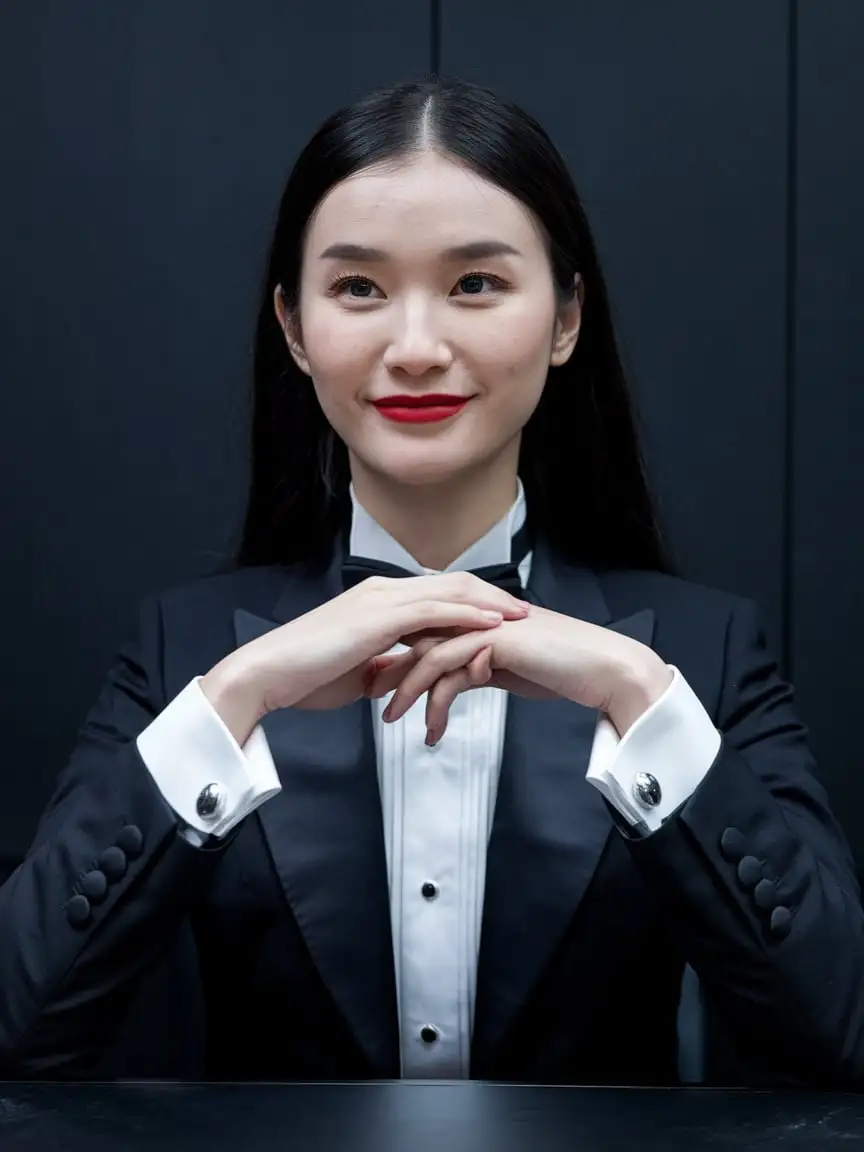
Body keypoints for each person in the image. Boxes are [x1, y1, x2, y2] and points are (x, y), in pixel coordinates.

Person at [0, 77, 861, 1088]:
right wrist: (235, 699)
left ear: (566, 318)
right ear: (292, 327)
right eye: (358, 289)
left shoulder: (700, 651)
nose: (414, 350)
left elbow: (840, 1035)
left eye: (476, 285)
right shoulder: (184, 651)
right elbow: (21, 1030)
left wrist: (640, 700)